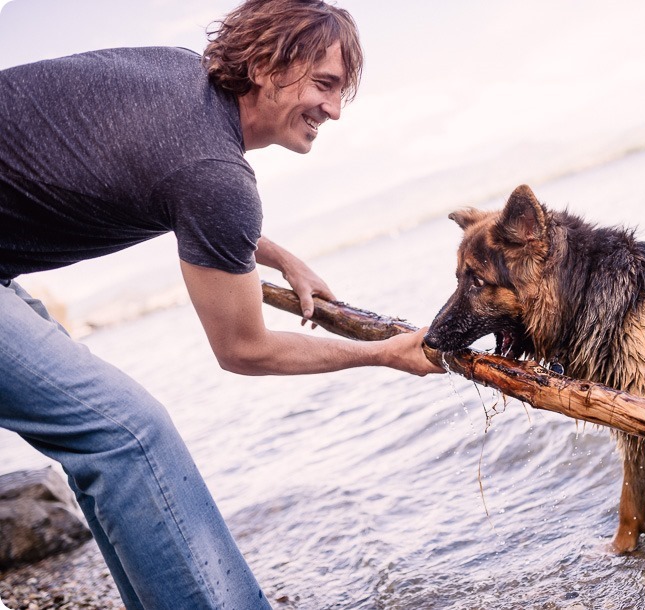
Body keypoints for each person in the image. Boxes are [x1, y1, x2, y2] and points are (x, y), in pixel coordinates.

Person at [0, 0, 442, 607]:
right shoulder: (213, 172)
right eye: (324, 84)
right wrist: (384, 354)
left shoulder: (181, 83)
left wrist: (276, 254)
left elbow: (175, 186)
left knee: (101, 443)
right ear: (266, 64)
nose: (335, 110)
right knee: (128, 433)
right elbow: (244, 349)